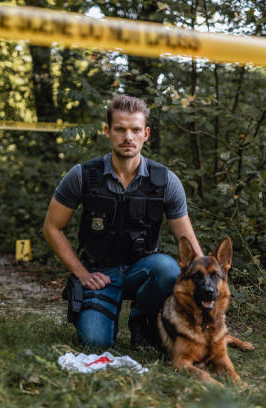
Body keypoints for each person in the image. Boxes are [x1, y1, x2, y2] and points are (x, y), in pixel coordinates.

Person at [43, 95, 203, 348]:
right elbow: (52, 227)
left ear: (146, 133)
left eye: (135, 130)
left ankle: (142, 319)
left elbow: (188, 244)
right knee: (94, 343)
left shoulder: (166, 181)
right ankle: (97, 307)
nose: (128, 137)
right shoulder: (83, 175)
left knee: (168, 269)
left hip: (143, 271)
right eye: (120, 129)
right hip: (99, 273)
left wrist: (208, 285)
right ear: (108, 131)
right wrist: (82, 274)